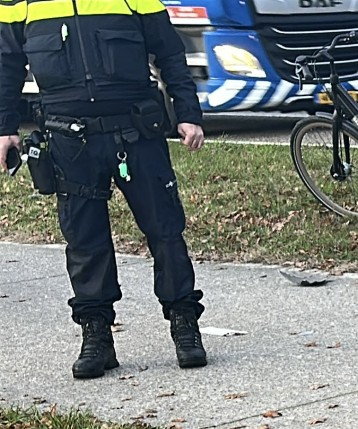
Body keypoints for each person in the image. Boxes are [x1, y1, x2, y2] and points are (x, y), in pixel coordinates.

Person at [0, 0, 208, 380]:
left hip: (136, 131)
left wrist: (188, 114)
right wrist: (5, 126)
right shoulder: (21, 3)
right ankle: (96, 336)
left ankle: (184, 325)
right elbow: (7, 63)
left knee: (165, 230)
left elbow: (170, 53)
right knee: (85, 240)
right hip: (68, 137)